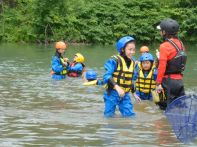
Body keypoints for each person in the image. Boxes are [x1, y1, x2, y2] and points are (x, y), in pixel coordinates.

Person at [99, 36, 141, 118]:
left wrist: (134, 93)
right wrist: (117, 87)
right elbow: (107, 76)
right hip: (112, 93)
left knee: (130, 116)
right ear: (122, 49)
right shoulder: (114, 61)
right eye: (130, 49)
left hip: (125, 94)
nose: (132, 52)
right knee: (109, 116)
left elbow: (130, 79)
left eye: (133, 49)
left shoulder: (133, 63)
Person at [155, 18, 187, 110]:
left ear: (164, 32)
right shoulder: (181, 44)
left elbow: (162, 67)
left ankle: (164, 124)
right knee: (180, 107)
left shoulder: (164, 46)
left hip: (168, 82)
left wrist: (158, 83)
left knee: (165, 108)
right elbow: (182, 60)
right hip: (179, 81)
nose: (160, 32)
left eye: (161, 30)